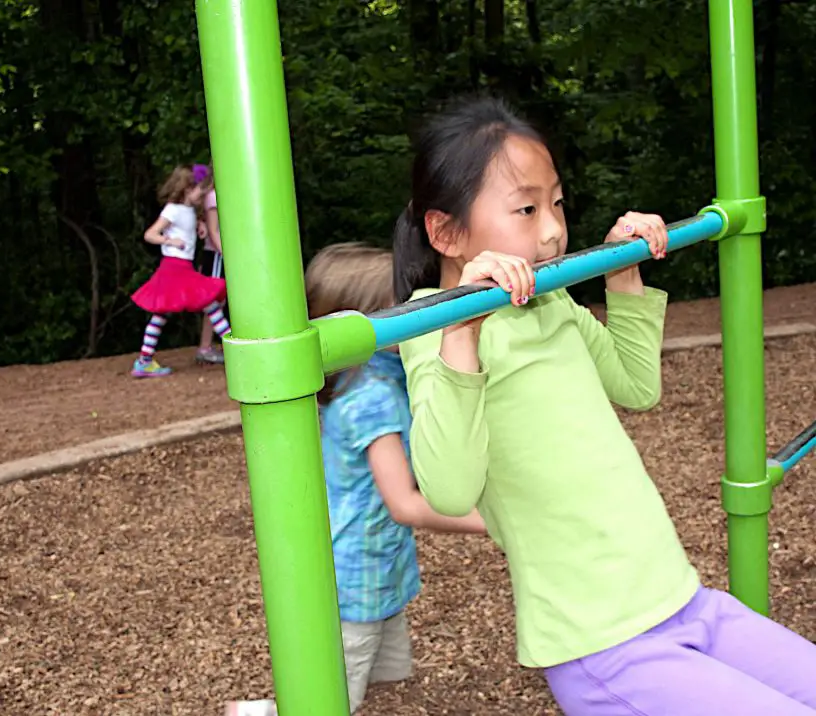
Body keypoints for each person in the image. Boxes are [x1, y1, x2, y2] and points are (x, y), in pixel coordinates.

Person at [392, 95, 816, 715]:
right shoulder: (435, 327)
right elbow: (449, 490)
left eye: (557, 203)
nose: (553, 228)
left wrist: (623, 276)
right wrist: (465, 329)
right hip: (604, 643)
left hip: (682, 599)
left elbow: (636, 385)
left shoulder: (553, 301)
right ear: (447, 232)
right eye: (526, 208)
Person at [308, 242, 487, 713]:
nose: (415, 310)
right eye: (403, 305)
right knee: (329, 700)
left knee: (386, 681)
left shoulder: (376, 371)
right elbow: (404, 503)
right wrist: (493, 519)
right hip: (357, 578)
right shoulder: (370, 399)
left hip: (381, 568)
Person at [129, 165, 231, 378]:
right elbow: (150, 234)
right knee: (209, 302)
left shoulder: (188, 211)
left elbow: (187, 223)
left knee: (162, 313)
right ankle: (235, 349)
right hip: (174, 268)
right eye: (199, 190)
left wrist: (200, 224)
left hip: (181, 268)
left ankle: (144, 360)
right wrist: (169, 240)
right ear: (186, 189)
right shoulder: (172, 210)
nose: (202, 193)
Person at [192, 163, 226, 365]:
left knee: (220, 301)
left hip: (222, 254)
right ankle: (205, 347)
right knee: (213, 300)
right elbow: (214, 232)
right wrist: (226, 255)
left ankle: (210, 345)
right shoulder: (213, 197)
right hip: (216, 255)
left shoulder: (223, 195)